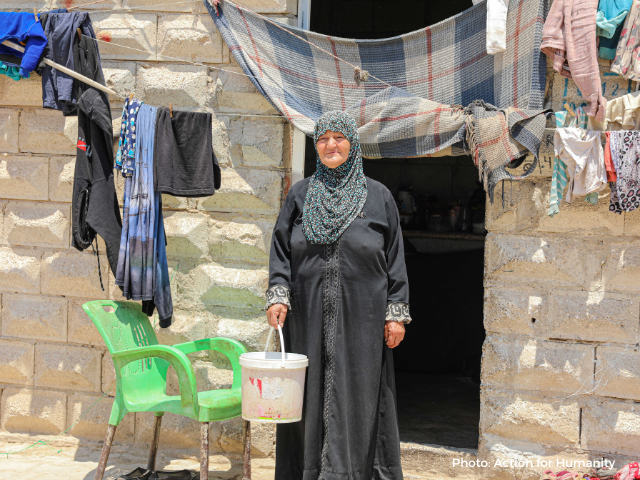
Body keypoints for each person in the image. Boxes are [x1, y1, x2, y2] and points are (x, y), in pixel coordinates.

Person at [266, 110, 412, 480]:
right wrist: (279, 295)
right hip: (307, 316)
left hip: (363, 317)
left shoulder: (377, 197)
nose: (331, 145)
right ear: (316, 146)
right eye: (323, 138)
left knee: (362, 397)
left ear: (352, 143)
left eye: (339, 137)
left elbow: (395, 256)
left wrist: (396, 312)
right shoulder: (300, 194)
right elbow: (281, 249)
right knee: (306, 394)